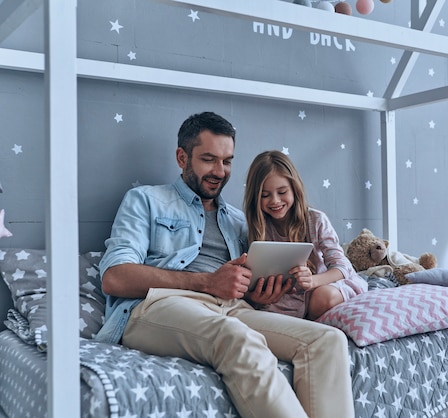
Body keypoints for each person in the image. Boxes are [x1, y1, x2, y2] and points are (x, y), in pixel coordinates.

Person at [95, 112, 355, 418]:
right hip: (159, 305)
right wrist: (207, 283)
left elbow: (240, 286)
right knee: (237, 337)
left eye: (227, 161)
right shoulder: (146, 200)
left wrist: (256, 296)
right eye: (209, 159)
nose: (220, 171)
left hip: (232, 308)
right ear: (182, 157)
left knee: (326, 340)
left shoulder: (238, 221)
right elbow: (114, 277)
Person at [244, 151, 367, 320]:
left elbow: (342, 267)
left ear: (294, 189)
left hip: (323, 284)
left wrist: (313, 281)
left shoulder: (315, 220)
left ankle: (308, 324)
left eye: (282, 192)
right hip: (287, 295)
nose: (275, 201)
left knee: (323, 297)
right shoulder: (257, 228)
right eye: (265, 195)